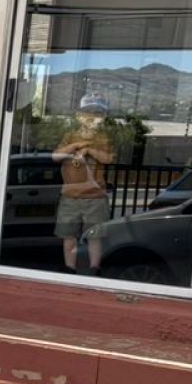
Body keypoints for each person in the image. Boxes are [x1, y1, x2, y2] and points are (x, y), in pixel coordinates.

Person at [52, 93, 115, 274]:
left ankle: (95, 267)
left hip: (95, 196)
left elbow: (108, 158)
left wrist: (90, 150)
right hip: (71, 195)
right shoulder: (70, 136)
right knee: (68, 235)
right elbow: (55, 156)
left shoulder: (104, 139)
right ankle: (69, 267)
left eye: (97, 113)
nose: (92, 117)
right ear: (80, 115)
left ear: (103, 117)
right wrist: (74, 147)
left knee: (95, 235)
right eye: (88, 112)